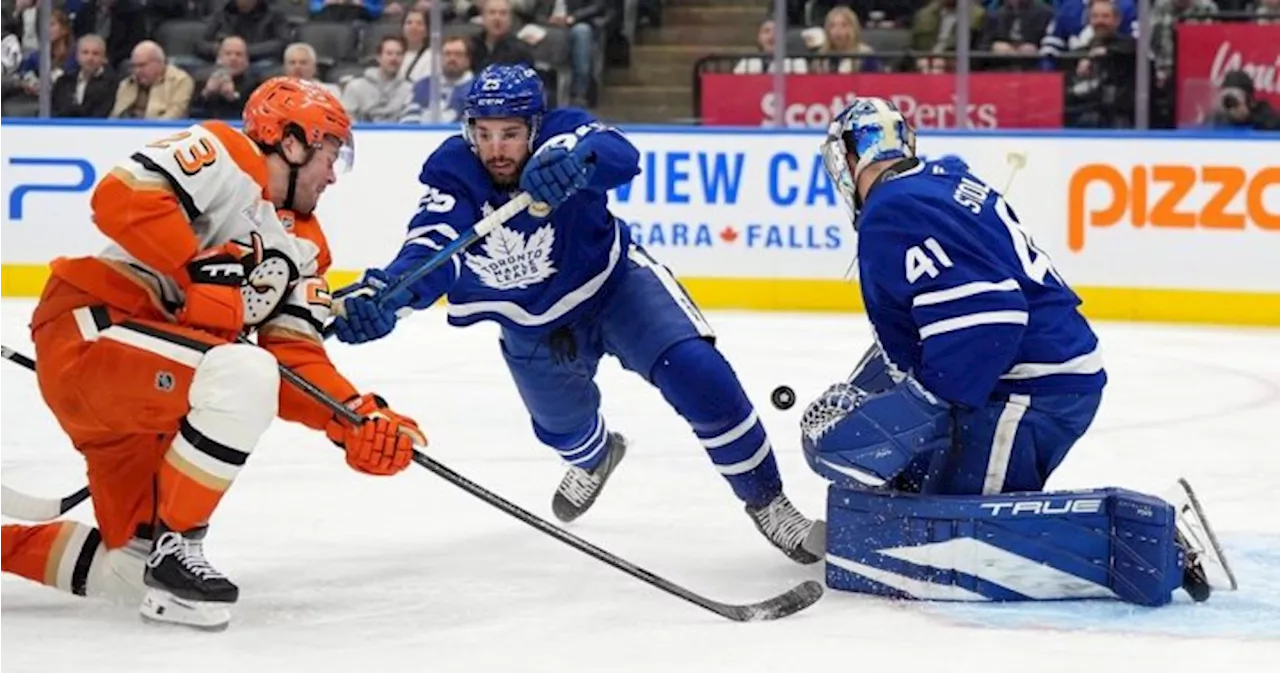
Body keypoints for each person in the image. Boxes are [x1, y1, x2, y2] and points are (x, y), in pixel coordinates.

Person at [328, 64, 825, 564]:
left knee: (700, 374)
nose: (496, 149)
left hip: (616, 289)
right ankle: (596, 457)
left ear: (536, 128)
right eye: (484, 134)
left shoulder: (563, 136)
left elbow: (619, 154)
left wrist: (575, 159)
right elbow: (430, 248)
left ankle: (769, 502)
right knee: (564, 429)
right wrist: (390, 293)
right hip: (531, 325)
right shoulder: (454, 175)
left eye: (510, 134)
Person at [0, 78, 425, 630]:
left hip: (155, 394)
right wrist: (195, 265)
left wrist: (352, 417)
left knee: (130, 573)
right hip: (94, 333)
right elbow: (118, 198)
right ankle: (181, 547)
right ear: (291, 142)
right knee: (245, 371)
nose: (332, 174)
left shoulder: (306, 248)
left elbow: (294, 356)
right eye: (328, 154)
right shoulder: (227, 153)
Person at [800, 97, 1235, 605]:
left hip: (1028, 389)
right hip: (1031, 377)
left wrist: (915, 409)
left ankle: (1147, 543)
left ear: (848, 158)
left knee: (964, 543)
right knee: (923, 498)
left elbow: (990, 319)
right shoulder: (936, 182)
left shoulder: (893, 209)